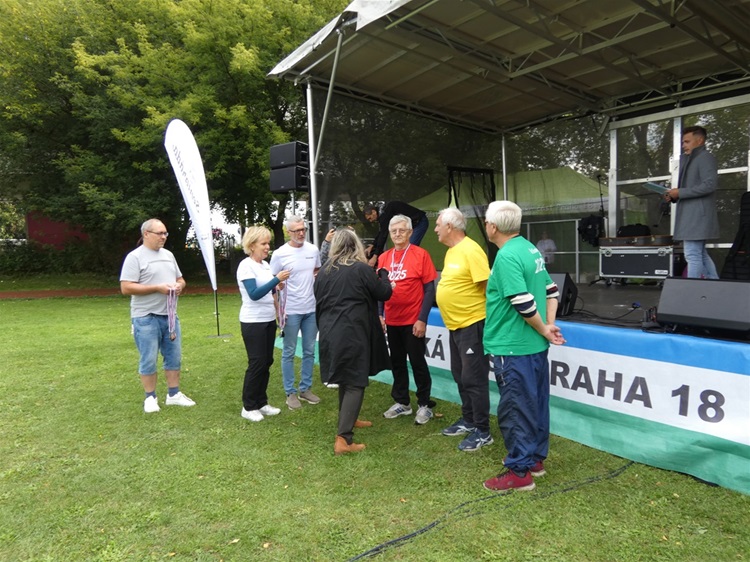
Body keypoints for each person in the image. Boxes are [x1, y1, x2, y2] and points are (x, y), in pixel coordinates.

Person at [482, 201, 565, 492]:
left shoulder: (506, 256)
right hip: (532, 345)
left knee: (516, 408)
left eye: (486, 221)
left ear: (493, 227)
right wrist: (549, 326)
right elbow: (552, 290)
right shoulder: (530, 249)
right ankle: (534, 460)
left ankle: (519, 471)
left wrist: (544, 328)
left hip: (513, 346)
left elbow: (522, 301)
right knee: (535, 403)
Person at [314, 229, 393, 455]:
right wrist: (384, 273)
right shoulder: (360, 269)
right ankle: (344, 439)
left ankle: (349, 418)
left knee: (345, 378)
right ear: (356, 245)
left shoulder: (325, 270)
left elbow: (318, 297)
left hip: (329, 330)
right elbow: (384, 292)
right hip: (351, 331)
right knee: (355, 381)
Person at [120, 218, 196, 413]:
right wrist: (157, 288)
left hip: (169, 316)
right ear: (146, 234)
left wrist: (179, 286)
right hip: (145, 317)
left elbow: (180, 279)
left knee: (174, 356)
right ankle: (150, 398)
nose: (163, 237)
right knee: (148, 358)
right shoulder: (135, 257)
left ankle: (174, 394)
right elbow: (126, 287)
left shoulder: (168, 255)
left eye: (165, 233)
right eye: (159, 233)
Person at [434, 208, 492, 451]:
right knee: (460, 374)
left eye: (438, 225)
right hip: (455, 325)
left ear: (450, 226)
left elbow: (489, 288)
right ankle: (469, 420)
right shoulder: (452, 251)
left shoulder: (471, 250)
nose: (435, 229)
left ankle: (483, 430)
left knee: (473, 378)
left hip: (472, 324)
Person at [378, 214, 438, 424]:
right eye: (394, 231)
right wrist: (380, 314)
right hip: (392, 320)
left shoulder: (421, 255)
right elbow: (380, 289)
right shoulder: (384, 257)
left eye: (402, 230)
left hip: (413, 320)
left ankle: (424, 404)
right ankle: (402, 402)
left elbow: (429, 289)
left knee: (418, 362)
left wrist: (422, 319)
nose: (397, 234)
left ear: (410, 232)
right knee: (397, 363)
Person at [236, 226, 291, 422]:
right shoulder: (246, 266)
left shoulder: (265, 265)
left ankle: (261, 402)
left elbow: (269, 291)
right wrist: (275, 280)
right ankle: (248, 406)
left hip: (268, 320)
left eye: (268, 243)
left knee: (267, 361)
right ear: (252, 245)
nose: (268, 247)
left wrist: (277, 289)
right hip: (253, 321)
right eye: (264, 243)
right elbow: (254, 294)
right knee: (257, 362)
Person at [270, 215, 322, 410]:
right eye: (297, 230)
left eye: (303, 229)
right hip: (290, 311)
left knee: (309, 350)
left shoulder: (313, 250)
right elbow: (272, 281)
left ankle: (305, 389)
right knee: (289, 352)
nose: (301, 233)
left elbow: (317, 270)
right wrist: (278, 306)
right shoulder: (280, 254)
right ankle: (290, 392)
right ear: (288, 232)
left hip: (311, 309)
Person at [664, 125, 720, 279]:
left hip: (696, 216)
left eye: (687, 142)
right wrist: (675, 196)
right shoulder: (692, 159)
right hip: (693, 215)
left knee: (692, 255)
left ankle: (693, 290)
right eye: (683, 142)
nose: (683, 145)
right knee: (700, 254)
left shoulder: (705, 157)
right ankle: (714, 286)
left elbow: (709, 185)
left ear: (699, 140)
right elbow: (693, 188)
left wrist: (680, 192)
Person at [364, 201, 428, 267]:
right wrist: (372, 245)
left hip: (419, 222)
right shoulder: (383, 212)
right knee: (403, 249)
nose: (371, 221)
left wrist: (375, 256)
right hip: (410, 224)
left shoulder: (385, 214)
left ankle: (413, 267)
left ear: (374, 212)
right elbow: (381, 232)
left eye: (370, 218)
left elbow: (383, 235)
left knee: (409, 249)